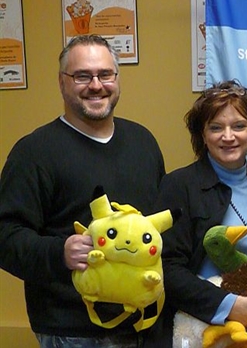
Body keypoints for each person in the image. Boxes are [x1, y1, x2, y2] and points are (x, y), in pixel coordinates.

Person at [0, 34, 165, 347]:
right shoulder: (34, 152)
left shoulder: (143, 142)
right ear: (62, 83)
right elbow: (5, 235)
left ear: (117, 79)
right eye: (82, 76)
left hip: (144, 322)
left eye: (105, 74)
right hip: (72, 330)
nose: (96, 85)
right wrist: (59, 252)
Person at [145, 80, 247, 347]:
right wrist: (227, 305)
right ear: (202, 135)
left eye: (239, 126)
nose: (228, 136)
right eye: (216, 127)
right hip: (201, 333)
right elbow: (165, 268)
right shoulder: (179, 186)